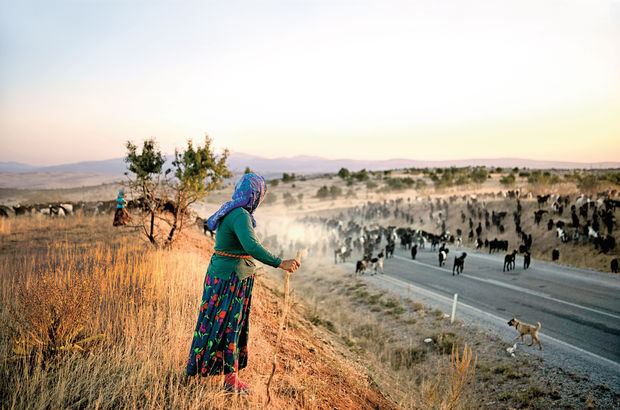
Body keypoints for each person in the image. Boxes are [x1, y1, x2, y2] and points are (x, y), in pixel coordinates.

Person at [186, 173, 299, 393]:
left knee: (214, 324)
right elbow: (251, 247)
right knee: (230, 327)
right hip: (231, 280)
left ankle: (203, 368)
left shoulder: (233, 211)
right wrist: (280, 262)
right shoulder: (240, 216)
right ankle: (230, 378)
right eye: (261, 194)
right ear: (255, 195)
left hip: (225, 276)